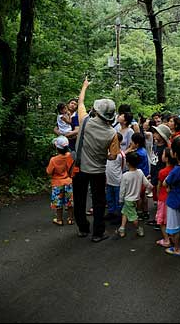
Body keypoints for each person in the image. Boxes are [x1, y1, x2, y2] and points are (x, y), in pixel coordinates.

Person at [73, 77, 120, 243]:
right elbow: (113, 156)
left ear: (97, 111)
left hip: (80, 170)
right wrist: (103, 155)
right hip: (99, 172)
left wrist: (84, 86)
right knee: (99, 202)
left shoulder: (85, 121)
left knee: (79, 200)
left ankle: (83, 229)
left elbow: (80, 103)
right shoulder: (112, 134)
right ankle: (98, 233)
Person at [116, 151, 153, 239]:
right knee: (125, 213)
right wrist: (151, 187)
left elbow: (122, 190)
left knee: (133, 217)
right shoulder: (140, 172)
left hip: (128, 199)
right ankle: (122, 227)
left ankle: (138, 229)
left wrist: (120, 199)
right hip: (136, 198)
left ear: (127, 163)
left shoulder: (125, 175)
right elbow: (146, 183)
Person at [46, 135, 74, 226]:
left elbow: (49, 171)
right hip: (69, 182)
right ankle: (70, 219)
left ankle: (59, 219)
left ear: (57, 148)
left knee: (58, 203)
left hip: (57, 183)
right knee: (69, 202)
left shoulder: (53, 160)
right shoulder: (69, 156)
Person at [147, 124, 172, 225]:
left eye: (156, 133)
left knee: (160, 197)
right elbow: (154, 161)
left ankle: (161, 220)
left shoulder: (165, 149)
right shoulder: (156, 145)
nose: (154, 134)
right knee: (156, 198)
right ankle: (159, 217)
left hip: (160, 176)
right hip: (154, 174)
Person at [126, 132, 150, 220]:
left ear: (137, 143)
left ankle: (139, 212)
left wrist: (130, 149)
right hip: (145, 175)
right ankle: (146, 211)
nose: (131, 143)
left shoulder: (138, 154)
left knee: (139, 196)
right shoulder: (143, 150)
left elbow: (125, 156)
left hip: (139, 177)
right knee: (143, 195)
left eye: (132, 142)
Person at [155, 147, 176, 248]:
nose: (161, 155)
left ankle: (166, 240)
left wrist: (158, 195)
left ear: (167, 158)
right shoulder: (176, 170)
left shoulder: (162, 172)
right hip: (172, 199)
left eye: (163, 154)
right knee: (170, 219)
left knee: (162, 221)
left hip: (163, 199)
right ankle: (171, 237)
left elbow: (159, 186)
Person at [105, 132, 125, 224]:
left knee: (118, 199)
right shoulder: (108, 152)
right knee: (109, 197)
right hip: (108, 180)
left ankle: (118, 215)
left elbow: (123, 168)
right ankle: (111, 212)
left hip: (117, 181)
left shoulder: (121, 155)